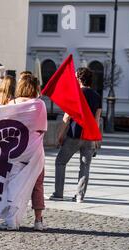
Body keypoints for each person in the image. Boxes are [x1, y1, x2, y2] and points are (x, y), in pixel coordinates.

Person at [49, 67, 102, 203]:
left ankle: (58, 193)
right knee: (85, 166)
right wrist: (96, 138)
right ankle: (80, 196)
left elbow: (67, 117)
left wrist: (60, 135)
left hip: (74, 134)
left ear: (78, 78)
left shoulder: (76, 94)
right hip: (89, 136)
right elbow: (97, 120)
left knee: (60, 162)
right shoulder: (97, 96)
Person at [2, 74, 46, 231]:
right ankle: (38, 221)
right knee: (38, 185)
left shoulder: (11, 103)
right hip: (34, 151)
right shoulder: (39, 104)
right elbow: (42, 129)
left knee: (13, 183)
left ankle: (11, 219)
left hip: (15, 150)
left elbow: (5, 126)